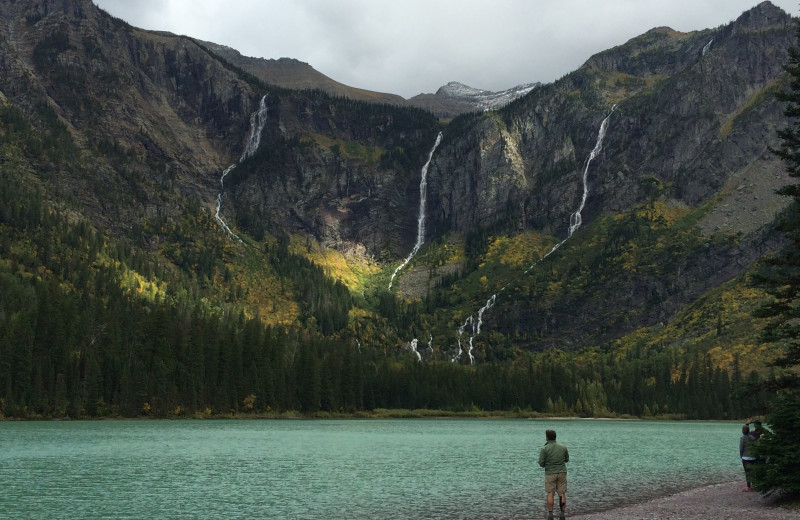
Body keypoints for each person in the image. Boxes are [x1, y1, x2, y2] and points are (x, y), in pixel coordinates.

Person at [538, 429, 569, 519]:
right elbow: (566, 459)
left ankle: (550, 514)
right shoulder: (563, 447)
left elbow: (541, 463)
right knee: (561, 493)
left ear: (547, 437)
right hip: (562, 472)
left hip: (550, 473)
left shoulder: (544, 448)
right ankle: (562, 513)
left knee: (550, 493)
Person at [739, 423, 756, 491]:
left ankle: (748, 487)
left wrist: (741, 455)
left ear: (743, 431)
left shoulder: (742, 438)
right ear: (748, 431)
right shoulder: (752, 438)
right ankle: (754, 485)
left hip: (745, 457)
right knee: (753, 471)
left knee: (747, 473)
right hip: (753, 457)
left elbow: (741, 448)